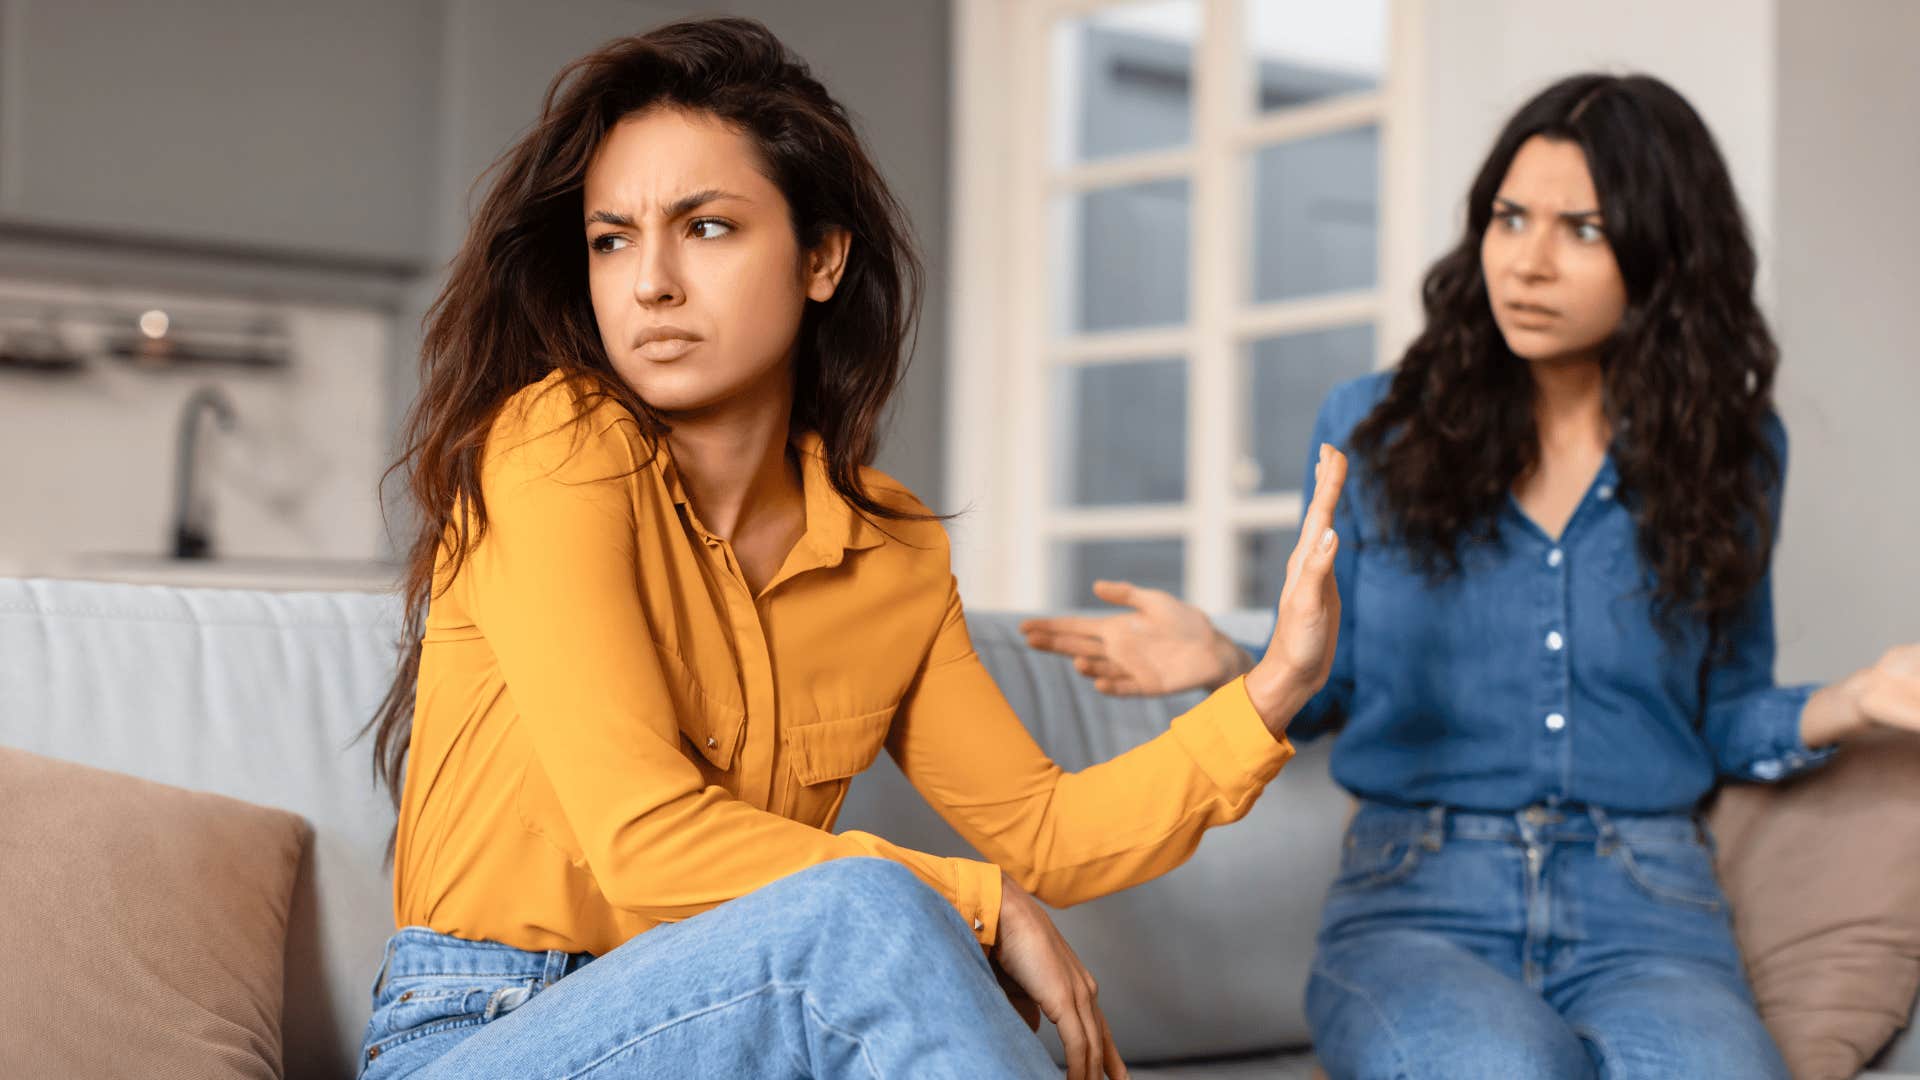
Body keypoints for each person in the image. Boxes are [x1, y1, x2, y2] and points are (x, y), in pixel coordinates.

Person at [355, 17, 1350, 1079]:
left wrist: (1276, 687)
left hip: (745, 1032)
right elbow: (645, 841)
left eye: (706, 228)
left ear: (821, 258)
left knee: (871, 924)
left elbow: (1045, 830)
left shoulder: (890, 548)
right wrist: (973, 901)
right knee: (862, 910)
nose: (648, 283)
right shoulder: (554, 446)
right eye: (612, 238)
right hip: (487, 1031)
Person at [1023, 72, 1920, 1079]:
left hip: (1651, 907)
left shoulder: (1734, 451)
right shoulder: (1378, 428)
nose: (1528, 263)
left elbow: (1716, 718)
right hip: (1419, 901)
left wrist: (1856, 700)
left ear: (1664, 249)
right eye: (1510, 218)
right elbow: (1340, 688)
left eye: (1583, 229)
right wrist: (1235, 658)